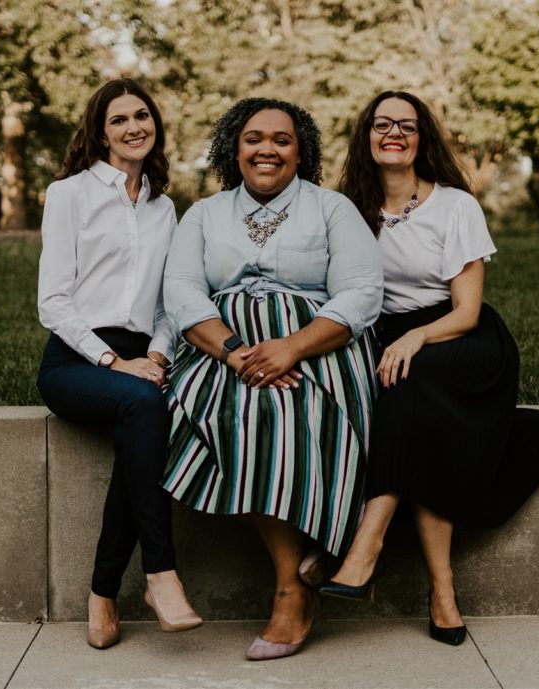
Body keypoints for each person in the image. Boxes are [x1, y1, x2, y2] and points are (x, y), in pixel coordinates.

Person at [319, 91, 539, 645]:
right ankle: (442, 590)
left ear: (422, 139)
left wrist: (416, 336)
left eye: (406, 126)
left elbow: (468, 310)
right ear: (366, 138)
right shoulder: (346, 211)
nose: (393, 133)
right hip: (384, 337)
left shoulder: (454, 206)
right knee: (409, 401)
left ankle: (367, 543)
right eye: (381, 124)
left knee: (411, 382)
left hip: (460, 339)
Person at [162, 98, 383, 660]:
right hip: (228, 348)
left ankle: (298, 580)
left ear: (300, 150)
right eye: (253, 138)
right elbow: (183, 294)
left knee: (286, 408)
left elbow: (361, 293)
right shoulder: (205, 214)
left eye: (282, 140)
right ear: (234, 149)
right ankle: (297, 580)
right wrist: (237, 354)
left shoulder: (332, 209)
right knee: (241, 409)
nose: (267, 149)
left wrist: (291, 347)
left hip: (318, 345)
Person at [36, 78, 201, 650]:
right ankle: (161, 575)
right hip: (75, 358)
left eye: (142, 116)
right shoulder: (71, 194)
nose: (133, 127)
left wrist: (156, 352)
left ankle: (103, 592)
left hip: (141, 355)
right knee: (143, 401)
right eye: (118, 119)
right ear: (99, 132)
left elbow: (167, 302)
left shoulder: (163, 205)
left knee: (143, 421)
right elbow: (53, 302)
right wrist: (113, 361)